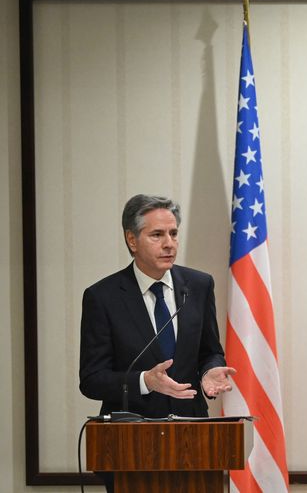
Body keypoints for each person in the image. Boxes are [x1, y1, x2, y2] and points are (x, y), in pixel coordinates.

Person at [79, 194, 236, 491]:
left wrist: (209, 372)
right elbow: (92, 380)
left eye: (174, 233)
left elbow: (210, 351)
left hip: (195, 443)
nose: (169, 243)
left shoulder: (199, 286)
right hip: (129, 446)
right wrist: (144, 381)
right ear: (132, 240)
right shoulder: (103, 297)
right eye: (157, 235)